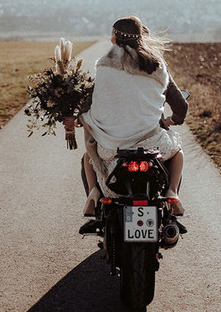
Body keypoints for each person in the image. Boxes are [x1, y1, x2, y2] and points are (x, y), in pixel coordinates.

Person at [78, 15, 187, 219]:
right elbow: (181, 106)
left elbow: (93, 101)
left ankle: (94, 193)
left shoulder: (104, 65)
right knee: (178, 152)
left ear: (115, 38)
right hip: (153, 146)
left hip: (112, 148)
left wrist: (80, 117)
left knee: (89, 156)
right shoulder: (156, 65)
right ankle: (172, 192)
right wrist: (172, 120)